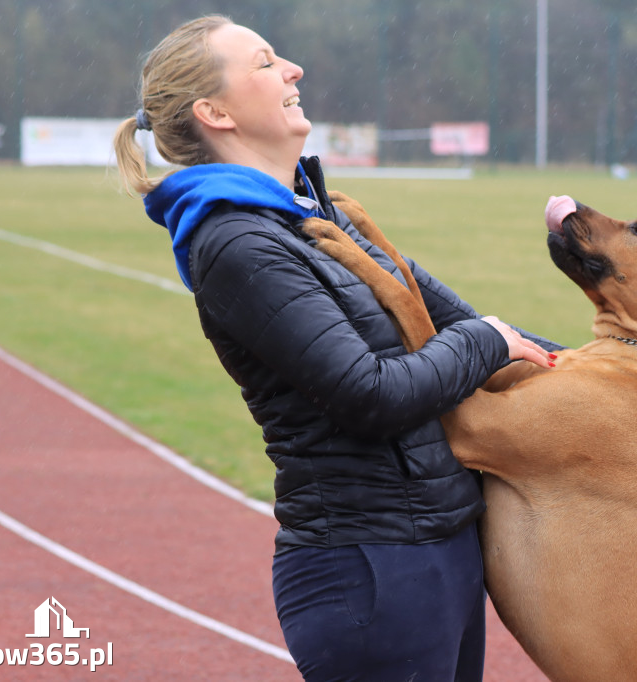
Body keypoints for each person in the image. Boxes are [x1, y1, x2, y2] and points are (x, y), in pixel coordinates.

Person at [112, 15, 562, 681]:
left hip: (442, 550)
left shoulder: (320, 214)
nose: (292, 70)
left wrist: (633, 370)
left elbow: (462, 320)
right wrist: (485, 341)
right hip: (369, 569)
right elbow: (370, 396)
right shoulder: (235, 243)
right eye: (265, 63)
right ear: (215, 111)